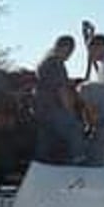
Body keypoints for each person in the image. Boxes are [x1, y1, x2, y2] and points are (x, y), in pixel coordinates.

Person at [34, 35, 85, 164]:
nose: (69, 55)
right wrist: (70, 110)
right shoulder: (57, 64)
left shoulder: (45, 62)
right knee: (75, 130)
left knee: (46, 143)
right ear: (64, 47)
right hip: (53, 109)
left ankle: (42, 170)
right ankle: (77, 166)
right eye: (69, 51)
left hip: (41, 109)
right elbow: (61, 89)